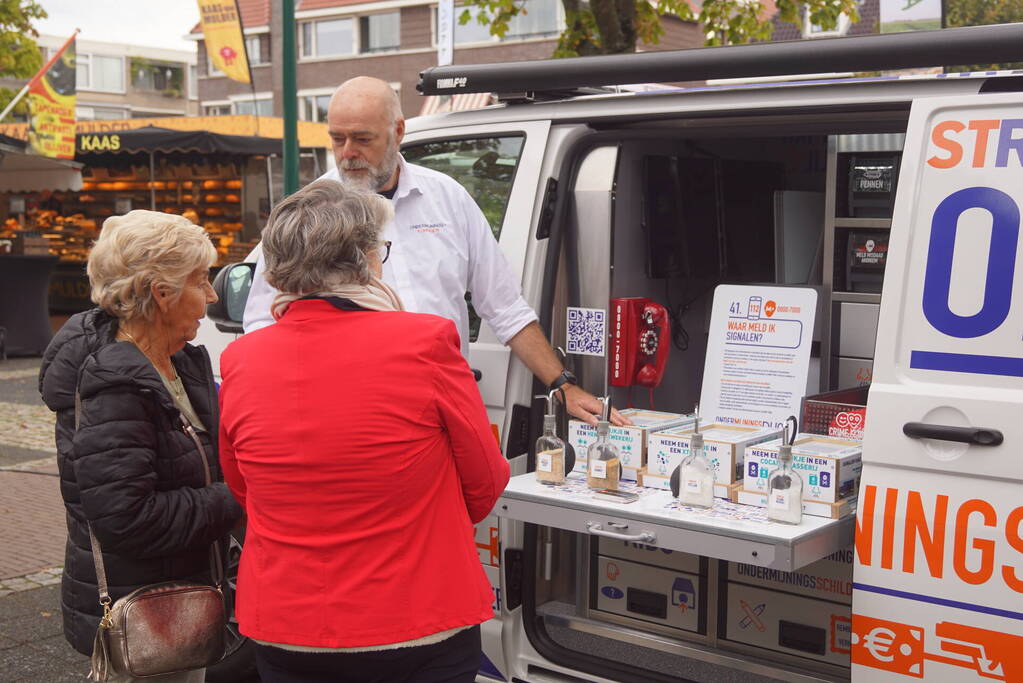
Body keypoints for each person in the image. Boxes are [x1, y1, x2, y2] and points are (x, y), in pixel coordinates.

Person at [219, 180, 511, 682]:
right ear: (367, 261)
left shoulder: (240, 359)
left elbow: (245, 487)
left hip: (288, 620)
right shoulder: (425, 341)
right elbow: (485, 480)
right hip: (415, 613)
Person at [243, 76, 627, 426]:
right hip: (349, 413)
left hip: (444, 404)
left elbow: (505, 306)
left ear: (397, 131)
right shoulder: (307, 212)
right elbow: (261, 324)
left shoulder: (447, 198)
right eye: (337, 139)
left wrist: (562, 384)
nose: (347, 153)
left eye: (362, 139)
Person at [38, 210, 243, 682]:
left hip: (178, 599)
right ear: (162, 292)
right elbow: (128, 519)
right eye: (201, 280)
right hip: (147, 613)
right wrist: (240, 494)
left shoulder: (177, 359)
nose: (211, 295)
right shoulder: (114, 383)